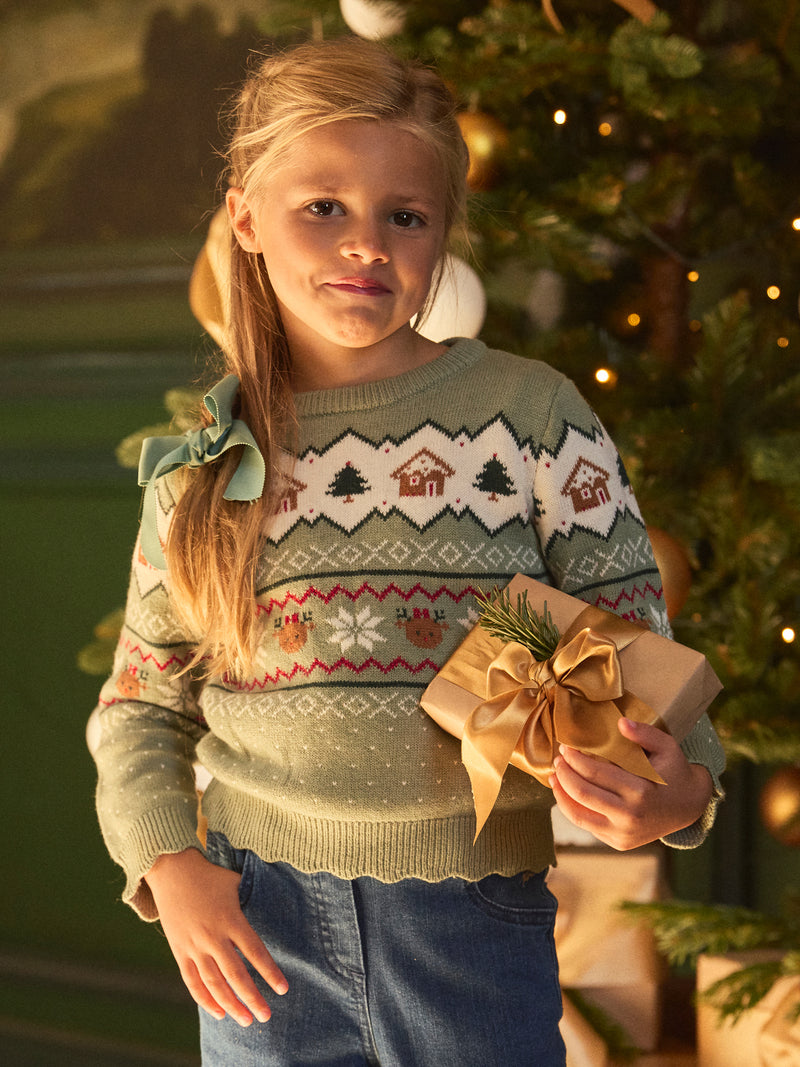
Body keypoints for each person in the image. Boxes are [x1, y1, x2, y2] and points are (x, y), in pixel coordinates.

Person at [90, 36, 725, 1066]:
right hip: (258, 928)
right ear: (244, 215)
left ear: (442, 232)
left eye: (406, 214)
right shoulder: (204, 460)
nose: (365, 244)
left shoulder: (528, 415)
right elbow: (142, 697)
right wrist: (167, 861)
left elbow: (636, 637)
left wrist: (683, 786)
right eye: (323, 206)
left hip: (471, 924)